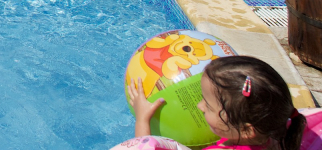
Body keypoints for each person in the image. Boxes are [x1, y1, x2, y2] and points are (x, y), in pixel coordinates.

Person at [127, 55, 305, 150]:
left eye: (208, 105)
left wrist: (142, 119)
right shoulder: (277, 139)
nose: (199, 106)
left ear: (246, 130)